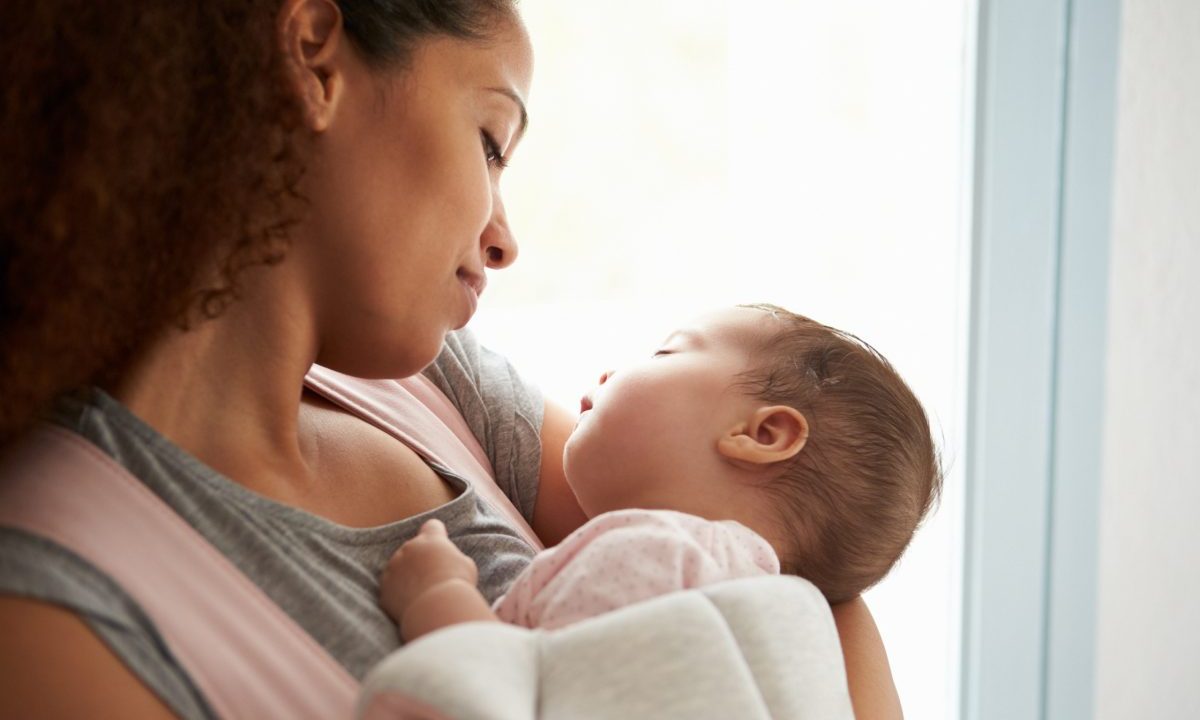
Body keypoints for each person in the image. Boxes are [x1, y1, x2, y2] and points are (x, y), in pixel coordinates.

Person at [0, 1, 904, 718]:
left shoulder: (435, 388)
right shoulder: (53, 603)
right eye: (489, 141)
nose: (504, 240)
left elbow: (792, 555)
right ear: (314, 58)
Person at [382, 305, 941, 638]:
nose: (612, 369)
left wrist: (438, 598)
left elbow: (506, 693)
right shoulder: (766, 615)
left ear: (763, 434)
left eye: (665, 355)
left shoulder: (655, 564)